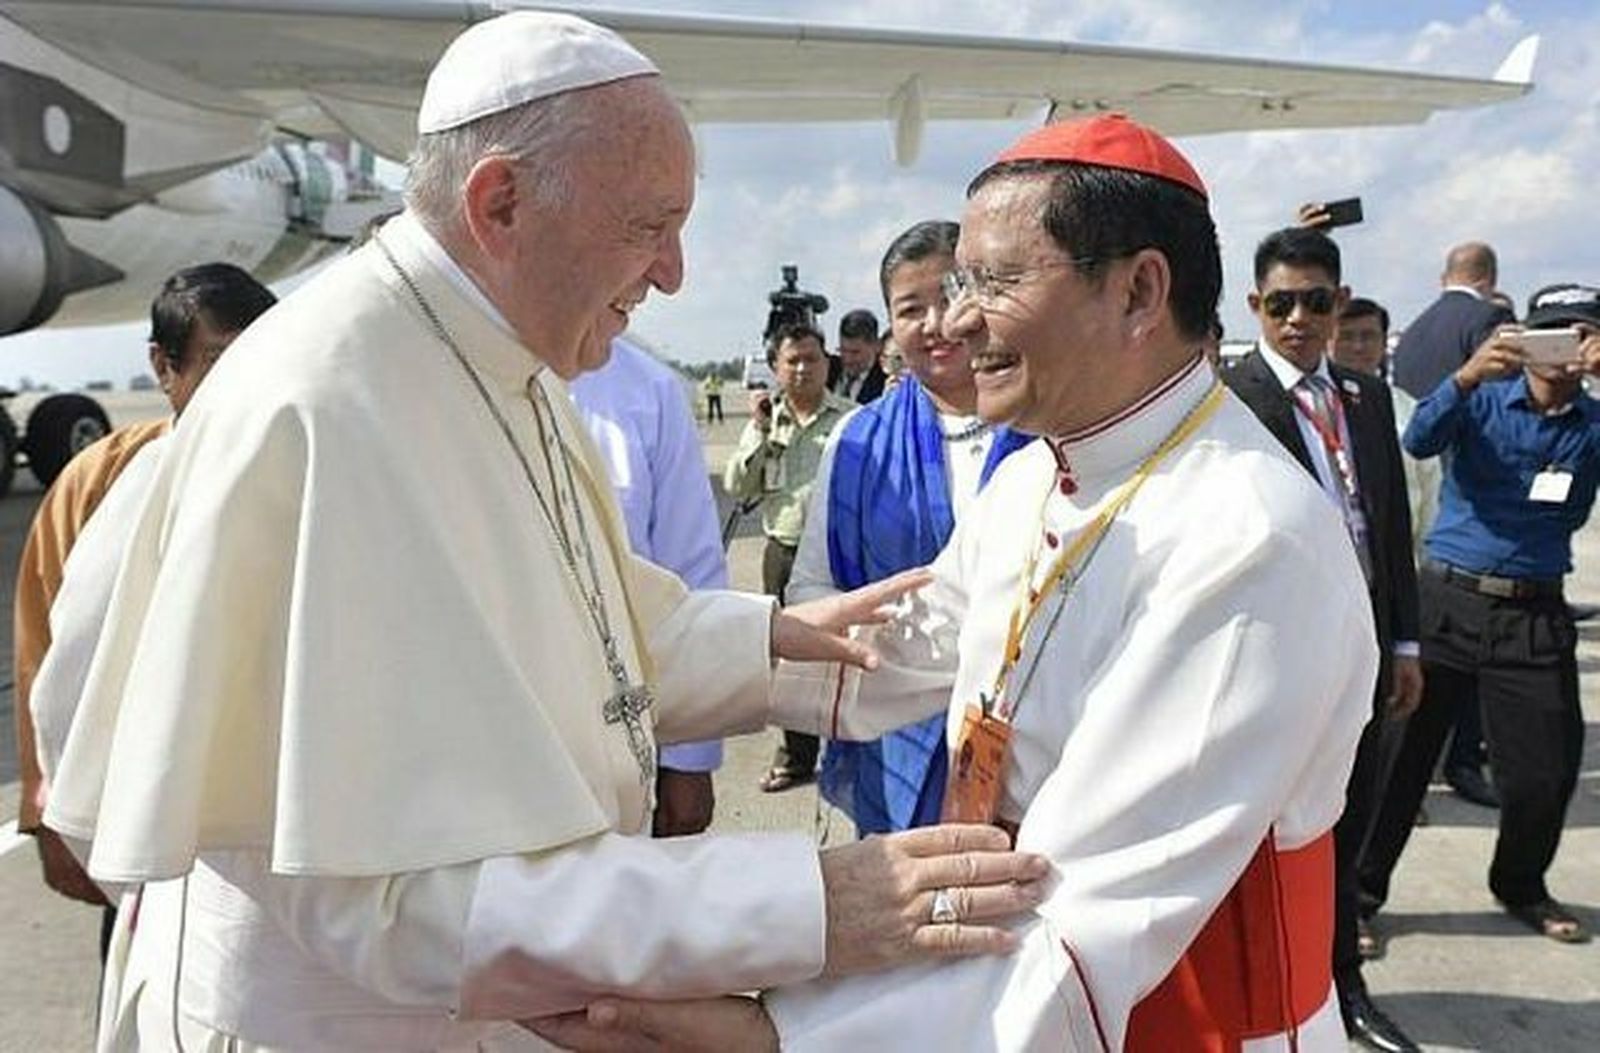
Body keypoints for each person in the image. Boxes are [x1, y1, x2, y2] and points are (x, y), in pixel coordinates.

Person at [41, 14, 1049, 1049]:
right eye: (648, 225)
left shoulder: (508, 365)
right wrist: (805, 904)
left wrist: (769, 640)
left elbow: (574, 634)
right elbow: (387, 897)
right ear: (501, 202)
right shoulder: (324, 412)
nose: (674, 275)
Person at [538, 113, 1378, 1053]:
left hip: (1162, 1016)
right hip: (986, 983)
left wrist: (778, 1037)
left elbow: (1081, 923)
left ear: (1141, 290)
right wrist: (605, 672)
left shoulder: (1248, 537)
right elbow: (883, 659)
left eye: (994, 282)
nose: (956, 319)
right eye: (954, 284)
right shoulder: (1036, 473)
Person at [12, 263, 276, 951]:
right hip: (138, 817)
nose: (244, 381)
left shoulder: (306, 466)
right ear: (165, 365)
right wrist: (45, 807)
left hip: (265, 834)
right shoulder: (100, 479)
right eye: (218, 359)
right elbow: (45, 646)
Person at [1223, 227, 1422, 1053]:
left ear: (1340, 304)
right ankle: (1281, 990)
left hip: (1368, 651)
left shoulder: (1365, 394)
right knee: (1282, 835)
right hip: (1281, 657)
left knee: (1350, 827)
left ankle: (1343, 983)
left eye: (1314, 301)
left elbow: (1390, 521)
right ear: (1255, 307)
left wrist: (1406, 641)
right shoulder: (1230, 400)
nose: (1297, 318)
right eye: (1281, 303)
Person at [1361, 283, 1600, 947]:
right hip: (1449, 600)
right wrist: (1464, 378)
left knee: (1546, 770)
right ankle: (1359, 894)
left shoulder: (1593, 423)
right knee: (1400, 763)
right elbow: (1418, 437)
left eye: (1579, 334)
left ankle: (1521, 882)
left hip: (1534, 609)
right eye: (1549, 331)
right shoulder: (1482, 398)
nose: (1562, 349)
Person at [788, 220, 1031, 835]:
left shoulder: (1047, 430)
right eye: (911, 309)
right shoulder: (857, 442)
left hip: (1030, 739)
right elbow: (813, 587)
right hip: (893, 732)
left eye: (950, 297)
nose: (935, 323)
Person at [570, 337, 728, 836]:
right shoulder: (434, 371)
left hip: (622, 743)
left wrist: (690, 757)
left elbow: (692, 574)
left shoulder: (648, 390)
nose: (664, 277)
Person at [1392, 244, 1513, 808]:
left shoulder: (1416, 328)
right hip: (1467, 491)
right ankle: (1465, 760)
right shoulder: (1486, 321)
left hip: (1422, 474)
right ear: (1488, 281)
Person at [724, 323, 856, 792]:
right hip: (782, 551)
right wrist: (759, 429)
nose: (802, 369)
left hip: (838, 553)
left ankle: (852, 753)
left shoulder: (851, 419)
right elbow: (739, 487)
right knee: (788, 659)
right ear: (776, 368)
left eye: (812, 359)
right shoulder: (767, 421)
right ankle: (798, 756)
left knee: (848, 654)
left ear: (827, 364)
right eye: (792, 361)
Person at [1334, 297, 1441, 555]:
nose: (1358, 347)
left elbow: (1431, 494)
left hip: (1398, 558)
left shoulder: (1411, 411)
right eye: (1347, 337)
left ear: (1384, 344)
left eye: (1368, 336)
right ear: (1329, 340)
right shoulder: (1315, 408)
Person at [1391, 241, 1515, 398]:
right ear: (1491, 279)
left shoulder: (1411, 333)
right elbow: (1504, 392)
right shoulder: (1491, 317)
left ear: (1445, 277)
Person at [831, 307, 888, 404]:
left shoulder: (885, 385)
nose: (847, 359)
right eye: (843, 350)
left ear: (876, 346)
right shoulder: (827, 370)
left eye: (855, 352)